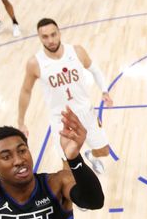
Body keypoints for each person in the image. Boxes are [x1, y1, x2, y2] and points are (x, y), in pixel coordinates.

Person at [18, 18, 114, 174]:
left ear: (59, 33)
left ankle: (89, 154)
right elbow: (25, 91)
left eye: (53, 35)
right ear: (39, 38)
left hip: (86, 112)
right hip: (62, 119)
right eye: (45, 37)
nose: (50, 40)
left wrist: (104, 90)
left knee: (104, 151)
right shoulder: (35, 63)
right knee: (68, 167)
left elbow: (95, 70)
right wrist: (21, 122)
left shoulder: (77, 51)